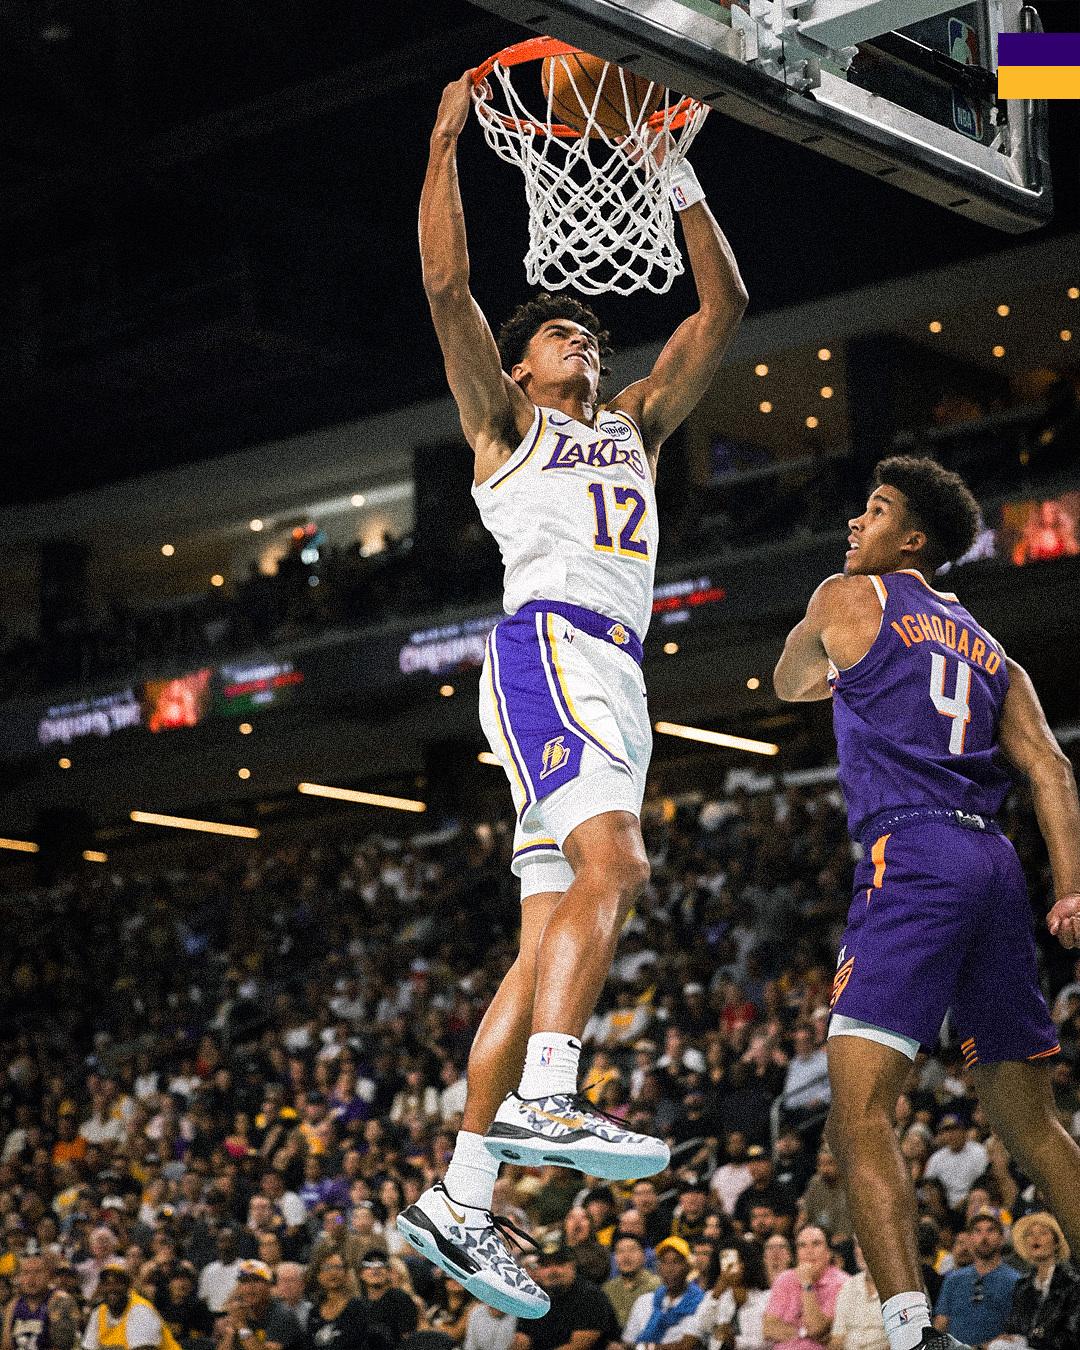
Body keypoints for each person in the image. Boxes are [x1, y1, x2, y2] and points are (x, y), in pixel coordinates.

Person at [398, 67, 747, 1320]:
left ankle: (462, 1191)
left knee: (547, 936)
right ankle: (553, 1082)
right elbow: (446, 286)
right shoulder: (505, 426)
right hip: (552, 650)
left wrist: (674, 167)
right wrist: (447, 136)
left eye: (589, 334)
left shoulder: (639, 424)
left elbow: (724, 304)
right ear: (521, 367)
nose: (583, 341)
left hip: (612, 673)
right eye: (560, 335)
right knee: (625, 868)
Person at [774, 455, 1080, 1350]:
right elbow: (1052, 771)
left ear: (912, 539)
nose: (853, 525)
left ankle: (911, 1329)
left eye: (872, 511)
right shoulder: (996, 653)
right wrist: (1070, 889)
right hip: (993, 863)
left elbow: (791, 678)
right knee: (1031, 1119)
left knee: (858, 1111)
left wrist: (829, 660)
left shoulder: (845, 596)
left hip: (909, 852)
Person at [933, 1216, 1019, 1348]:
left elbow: (1017, 1332)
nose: (984, 1237)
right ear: (970, 1239)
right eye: (978, 1231)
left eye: (990, 1231)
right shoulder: (953, 1279)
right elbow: (940, 1324)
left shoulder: (1015, 1280)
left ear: (1001, 1238)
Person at [996, 1212, 1079, 1349]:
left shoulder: (1072, 1284)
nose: (1035, 1238)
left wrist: (1036, 1338)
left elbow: (1071, 1335)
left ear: (1056, 1242)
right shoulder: (1022, 1286)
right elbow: (1013, 1326)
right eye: (1029, 1234)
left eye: (1043, 1233)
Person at [761, 1225, 848, 1350]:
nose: (809, 1251)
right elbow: (768, 1329)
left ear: (828, 1253)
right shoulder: (785, 1278)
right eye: (802, 1246)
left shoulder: (842, 1283)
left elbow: (816, 1329)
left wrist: (807, 1284)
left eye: (816, 1244)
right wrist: (803, 1332)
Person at [515, 1246, 619, 1350]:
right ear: (538, 1270)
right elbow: (522, 1339)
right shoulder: (534, 1299)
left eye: (559, 1264)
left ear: (572, 1265)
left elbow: (578, 1346)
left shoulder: (591, 1296)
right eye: (546, 1265)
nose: (552, 1271)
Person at [679, 1241, 770, 1350]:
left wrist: (733, 1341)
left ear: (746, 1263)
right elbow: (700, 1326)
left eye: (736, 1260)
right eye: (723, 1260)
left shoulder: (765, 1298)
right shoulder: (715, 1295)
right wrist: (716, 1294)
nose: (729, 1265)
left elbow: (767, 1341)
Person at [622, 1238, 705, 1349]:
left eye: (676, 1262)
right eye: (664, 1262)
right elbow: (629, 1342)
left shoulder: (701, 1302)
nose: (669, 1269)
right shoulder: (644, 1301)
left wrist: (649, 1347)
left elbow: (688, 1346)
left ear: (688, 1267)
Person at [80, 1260, 179, 1350]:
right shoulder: (98, 1313)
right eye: (107, 1283)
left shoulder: (141, 1310)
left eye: (118, 1283)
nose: (112, 1288)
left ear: (128, 1286)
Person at [217, 1260, 304, 1350]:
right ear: (238, 1288)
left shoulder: (283, 1315)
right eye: (245, 1282)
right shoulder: (239, 1313)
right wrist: (230, 1331)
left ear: (269, 1286)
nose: (250, 1287)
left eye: (256, 1280)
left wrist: (241, 1326)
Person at [1, 1252, 79, 1350]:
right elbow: (6, 1346)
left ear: (49, 1276)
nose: (31, 1278)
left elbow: (63, 1345)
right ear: (19, 1277)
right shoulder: (13, 1305)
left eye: (37, 1272)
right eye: (26, 1273)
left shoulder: (61, 1301)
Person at [306, 1249, 372, 1349]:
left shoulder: (358, 1308)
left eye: (338, 1267)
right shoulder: (314, 1313)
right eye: (327, 1267)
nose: (333, 1272)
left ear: (346, 1274)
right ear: (318, 1275)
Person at [828, 1240, 887, 1350]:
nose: (860, 1251)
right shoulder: (848, 1286)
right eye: (858, 1245)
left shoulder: (902, 1287)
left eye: (868, 1244)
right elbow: (837, 1338)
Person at [359, 1251, 418, 1346]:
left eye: (380, 1265)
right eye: (369, 1266)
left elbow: (408, 1338)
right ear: (361, 1274)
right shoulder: (358, 1304)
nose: (375, 1270)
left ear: (389, 1272)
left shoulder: (401, 1299)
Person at [604, 1236, 663, 1331]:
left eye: (632, 1250)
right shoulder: (608, 1289)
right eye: (620, 1251)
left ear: (644, 1256)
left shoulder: (658, 1286)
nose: (626, 1256)